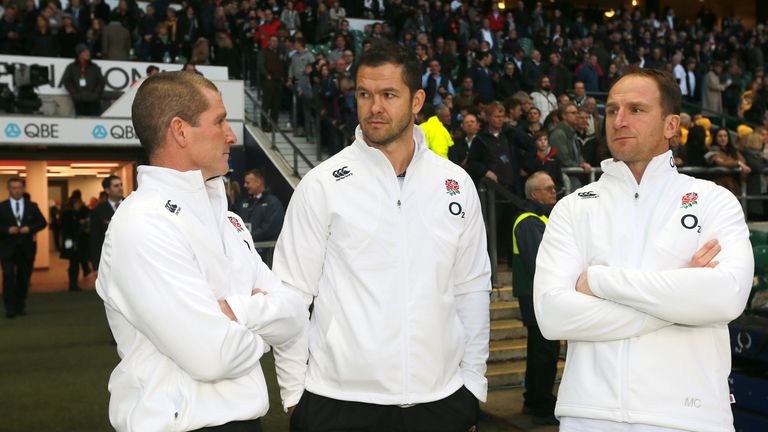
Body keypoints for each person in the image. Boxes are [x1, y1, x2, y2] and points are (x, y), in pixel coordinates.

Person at [273, 41, 490, 432]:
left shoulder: (455, 183)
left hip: (439, 401)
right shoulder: (322, 184)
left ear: (417, 99)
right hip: (338, 402)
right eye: (364, 94)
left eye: (389, 95)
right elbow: (291, 294)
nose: (375, 107)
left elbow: (471, 289)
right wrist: (293, 396)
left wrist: (472, 386)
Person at [534, 67, 753, 431]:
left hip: (690, 417)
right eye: (612, 110)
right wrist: (682, 296)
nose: (619, 120)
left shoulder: (714, 201)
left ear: (671, 125)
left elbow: (726, 298)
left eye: (636, 109)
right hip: (589, 417)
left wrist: (601, 281)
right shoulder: (573, 207)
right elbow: (553, 315)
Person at [95, 71, 306, 431]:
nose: (230, 135)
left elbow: (295, 314)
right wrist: (266, 324)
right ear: (180, 130)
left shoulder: (226, 220)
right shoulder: (143, 224)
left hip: (245, 421)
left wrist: (235, 311)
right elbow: (213, 356)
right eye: (220, 121)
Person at [512, 171, 560, 426]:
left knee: (540, 351)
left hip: (537, 296)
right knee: (545, 352)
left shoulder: (538, 219)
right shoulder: (530, 221)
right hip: (536, 297)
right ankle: (541, 406)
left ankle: (535, 398)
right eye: (549, 188)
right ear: (534, 194)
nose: (554, 191)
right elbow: (540, 263)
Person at [0, 177, 47, 318]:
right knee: (8, 277)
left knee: (23, 279)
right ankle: (10, 308)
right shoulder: (2, 207)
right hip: (7, 249)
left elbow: (43, 222)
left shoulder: (32, 206)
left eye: (19, 187)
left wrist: (30, 228)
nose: (16, 190)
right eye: (13, 188)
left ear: (23, 188)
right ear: (9, 189)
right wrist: (7, 230)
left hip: (26, 249)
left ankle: (20, 305)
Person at [234, 168, 285, 244]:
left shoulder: (273, 203)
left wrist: (249, 237)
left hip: (265, 250)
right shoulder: (243, 202)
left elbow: (270, 229)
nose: (244, 185)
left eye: (247, 183)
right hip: (246, 247)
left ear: (258, 182)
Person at [89, 175, 123, 272]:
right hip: (109, 260)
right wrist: (96, 266)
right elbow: (95, 240)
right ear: (107, 190)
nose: (120, 188)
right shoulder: (98, 210)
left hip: (129, 258)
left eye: (121, 185)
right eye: (116, 186)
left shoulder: (131, 205)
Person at [61, 44, 106, 116]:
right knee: (81, 122)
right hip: (79, 100)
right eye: (84, 52)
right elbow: (67, 81)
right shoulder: (71, 67)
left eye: (88, 51)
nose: (88, 53)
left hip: (93, 101)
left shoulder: (95, 67)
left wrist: (96, 94)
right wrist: (74, 94)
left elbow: (101, 82)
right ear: (79, 54)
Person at [60, 196, 90, 291]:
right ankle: (73, 284)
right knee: (74, 262)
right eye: (78, 203)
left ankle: (73, 283)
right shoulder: (69, 214)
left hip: (73, 241)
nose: (79, 205)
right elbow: (68, 228)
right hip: (73, 241)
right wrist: (79, 223)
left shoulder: (72, 213)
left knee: (74, 262)